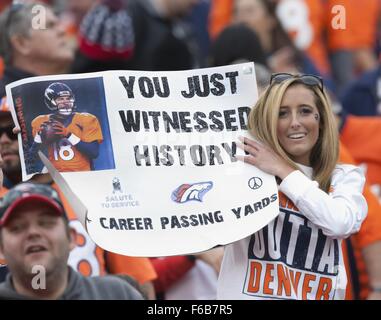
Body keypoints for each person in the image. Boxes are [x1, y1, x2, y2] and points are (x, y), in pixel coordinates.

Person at [217, 73, 368, 299]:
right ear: (269, 121)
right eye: (282, 113)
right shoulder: (245, 169)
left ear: (321, 119)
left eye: (305, 111)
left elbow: (339, 223)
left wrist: (284, 171)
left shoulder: (344, 177)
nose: (295, 122)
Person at [0, 182, 144, 300]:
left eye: (46, 223)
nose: (33, 232)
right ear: (1, 249)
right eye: (17, 227)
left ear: (72, 237)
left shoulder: (117, 294)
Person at [30, 82, 103, 173]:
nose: (66, 103)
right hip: (56, 174)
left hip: (82, 173)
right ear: (51, 101)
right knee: (44, 172)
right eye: (61, 99)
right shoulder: (41, 122)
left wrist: (68, 134)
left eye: (68, 98)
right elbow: (32, 159)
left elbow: (94, 153)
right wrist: (38, 138)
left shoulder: (86, 119)